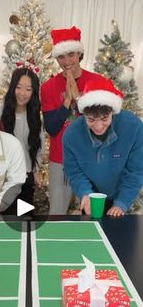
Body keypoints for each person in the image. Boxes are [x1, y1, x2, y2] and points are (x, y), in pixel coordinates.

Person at [41, 26, 103, 214]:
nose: (66, 61)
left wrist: (78, 100)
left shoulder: (97, 82)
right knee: (57, 214)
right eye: (61, 57)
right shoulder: (49, 87)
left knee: (94, 214)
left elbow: (101, 126)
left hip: (93, 159)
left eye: (71, 55)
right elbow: (51, 128)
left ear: (79, 54)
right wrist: (67, 101)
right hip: (61, 160)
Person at [63, 77, 143, 217]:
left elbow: (135, 171)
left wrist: (122, 203)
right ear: (84, 114)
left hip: (122, 195)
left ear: (113, 111)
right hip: (90, 196)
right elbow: (74, 172)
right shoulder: (71, 134)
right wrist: (85, 193)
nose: (98, 127)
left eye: (105, 119)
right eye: (91, 120)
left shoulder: (134, 127)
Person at [0, 65, 43, 205]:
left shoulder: (35, 117)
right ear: (12, 87)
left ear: (33, 92)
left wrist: (36, 170)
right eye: (19, 87)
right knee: (3, 220)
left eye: (28, 89)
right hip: (3, 178)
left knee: (23, 219)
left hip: (26, 178)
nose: (22, 93)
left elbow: (39, 147)